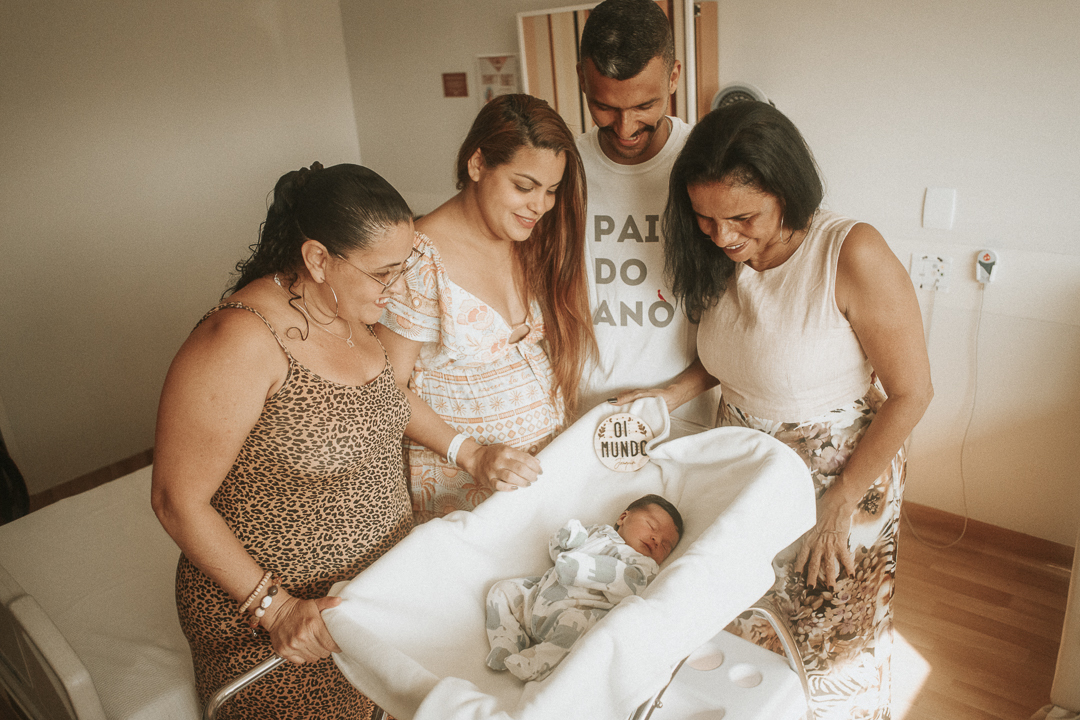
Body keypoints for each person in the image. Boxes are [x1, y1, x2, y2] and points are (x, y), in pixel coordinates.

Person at [615, 101, 934, 720]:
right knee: (743, 626)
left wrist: (839, 502)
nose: (723, 236)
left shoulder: (850, 252)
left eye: (742, 217)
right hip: (744, 464)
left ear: (786, 192)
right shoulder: (720, 256)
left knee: (828, 639)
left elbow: (912, 393)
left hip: (838, 475)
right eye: (706, 218)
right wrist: (668, 396)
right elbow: (739, 355)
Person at [151, 163, 418, 720]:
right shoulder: (241, 340)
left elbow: (379, 404)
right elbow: (177, 501)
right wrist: (276, 609)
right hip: (284, 627)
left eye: (404, 267)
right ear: (318, 259)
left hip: (365, 601)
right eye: (384, 273)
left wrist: (468, 450)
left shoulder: (348, 311)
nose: (399, 288)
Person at [377, 94, 594, 523]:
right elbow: (385, 389)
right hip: (466, 490)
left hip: (540, 478)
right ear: (477, 164)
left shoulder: (524, 238)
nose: (540, 205)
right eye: (524, 186)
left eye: (551, 191)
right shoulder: (419, 260)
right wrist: (472, 454)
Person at [574, 0, 722, 429]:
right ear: (582, 78)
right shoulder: (563, 169)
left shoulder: (710, 165)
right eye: (605, 107)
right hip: (582, 418)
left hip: (688, 418)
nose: (625, 128)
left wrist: (671, 396)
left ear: (674, 76)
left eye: (644, 105)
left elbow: (744, 317)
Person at [485, 494, 683, 682]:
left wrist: (580, 568)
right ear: (623, 517)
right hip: (537, 598)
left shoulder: (644, 566)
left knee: (578, 624)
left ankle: (537, 662)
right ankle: (507, 641)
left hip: (576, 613)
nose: (657, 540)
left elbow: (627, 584)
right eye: (651, 526)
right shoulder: (597, 532)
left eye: (666, 546)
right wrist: (567, 538)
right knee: (503, 590)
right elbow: (557, 554)